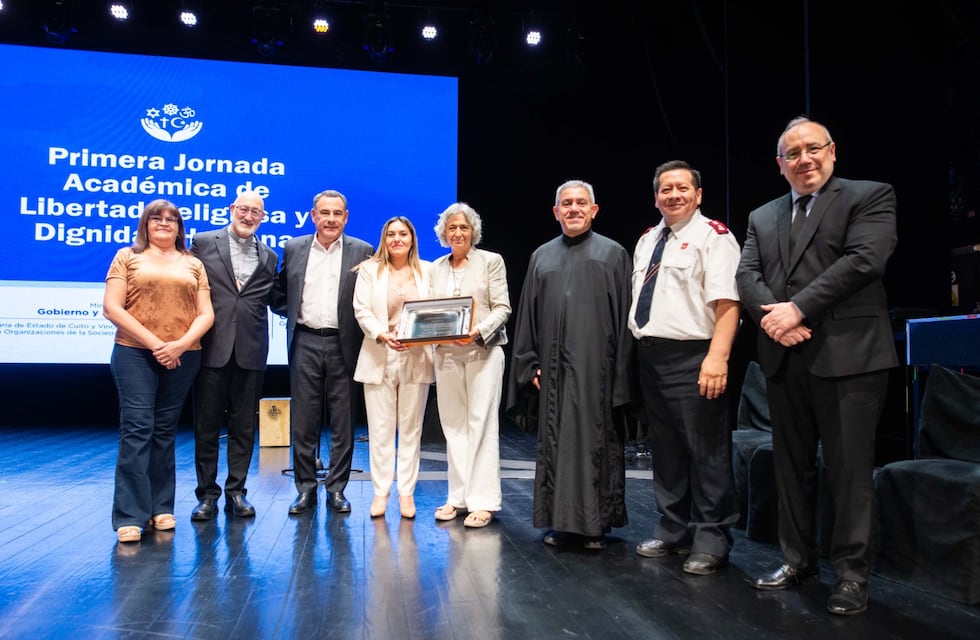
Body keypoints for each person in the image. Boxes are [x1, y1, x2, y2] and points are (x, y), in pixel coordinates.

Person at [736, 117, 898, 615]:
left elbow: (864, 260)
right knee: (791, 469)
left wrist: (797, 309)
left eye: (813, 149)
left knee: (849, 472)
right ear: (779, 163)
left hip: (849, 355)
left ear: (832, 151)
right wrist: (775, 321)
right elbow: (747, 274)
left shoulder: (870, 196)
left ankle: (850, 576)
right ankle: (797, 561)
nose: (804, 159)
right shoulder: (762, 215)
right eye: (793, 153)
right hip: (785, 356)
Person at [628, 161, 741, 575]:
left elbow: (728, 302)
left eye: (682, 188)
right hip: (651, 355)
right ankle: (674, 527)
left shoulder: (715, 237)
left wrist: (718, 357)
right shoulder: (648, 239)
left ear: (698, 194)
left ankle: (712, 536)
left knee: (706, 450)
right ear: (656, 196)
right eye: (665, 189)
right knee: (667, 449)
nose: (673, 195)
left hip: (695, 356)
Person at [506, 179, 632, 550]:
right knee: (557, 444)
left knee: (595, 445)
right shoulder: (541, 256)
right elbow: (527, 316)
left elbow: (626, 316)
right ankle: (560, 523)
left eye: (581, 203)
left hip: (598, 372)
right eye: (566, 203)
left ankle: (595, 526)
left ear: (594, 210)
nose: (573, 208)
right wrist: (530, 363)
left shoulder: (612, 254)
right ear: (556, 211)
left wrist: (621, 372)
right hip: (553, 373)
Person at [103, 199, 215, 543]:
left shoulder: (193, 263)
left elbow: (206, 314)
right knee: (137, 429)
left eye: (172, 219)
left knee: (164, 432)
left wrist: (179, 345)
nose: (164, 223)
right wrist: (157, 345)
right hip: (135, 353)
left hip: (184, 356)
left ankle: (160, 508)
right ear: (145, 224)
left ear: (180, 227)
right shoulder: (127, 256)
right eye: (157, 218)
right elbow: (111, 308)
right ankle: (130, 515)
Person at [271, 190, 373, 515]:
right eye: (324, 213)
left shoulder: (363, 250)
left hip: (345, 342)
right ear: (313, 215)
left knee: (344, 421)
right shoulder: (294, 247)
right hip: (305, 339)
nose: (330, 219)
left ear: (346, 217)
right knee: (304, 420)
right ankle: (305, 489)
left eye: (337, 213)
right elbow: (279, 292)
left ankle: (337, 489)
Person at [188, 190, 279, 521]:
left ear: (263, 217)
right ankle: (207, 495)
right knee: (207, 426)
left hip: (251, 350)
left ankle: (236, 492)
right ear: (231, 209)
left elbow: (274, 298)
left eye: (256, 212)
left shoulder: (269, 256)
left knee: (244, 427)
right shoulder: (203, 243)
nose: (248, 216)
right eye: (243, 209)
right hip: (211, 346)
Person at [428, 202, 511, 528]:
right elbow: (428, 311)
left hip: (483, 352)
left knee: (481, 425)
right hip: (446, 354)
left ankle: (484, 502)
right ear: (444, 233)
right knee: (454, 427)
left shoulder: (491, 261)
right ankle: (458, 498)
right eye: (452, 228)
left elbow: (502, 307)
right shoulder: (435, 267)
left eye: (463, 227)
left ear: (473, 231)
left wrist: (477, 332)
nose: (458, 233)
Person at [353, 216, 434, 519]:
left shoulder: (429, 270)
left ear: (412, 239)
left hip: (417, 356)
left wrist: (421, 335)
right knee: (380, 431)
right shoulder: (369, 270)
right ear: (384, 240)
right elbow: (361, 310)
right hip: (379, 354)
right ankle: (381, 492)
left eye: (403, 234)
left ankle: (406, 493)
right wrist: (381, 334)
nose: (397, 239)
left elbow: (437, 310)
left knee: (411, 431)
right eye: (391, 234)